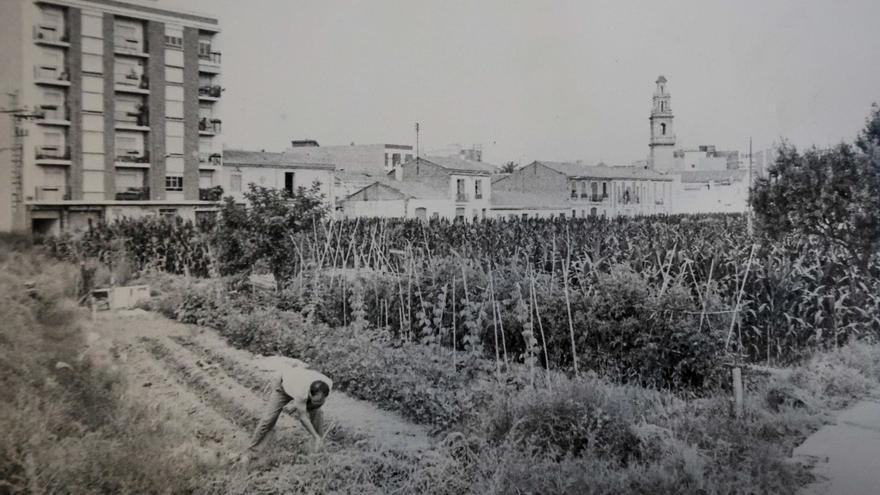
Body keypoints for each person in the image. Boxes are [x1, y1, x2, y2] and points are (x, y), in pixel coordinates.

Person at [247, 365, 333, 453]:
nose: (316, 403)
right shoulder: (301, 392)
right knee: (269, 418)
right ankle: (253, 449)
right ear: (309, 394)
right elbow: (303, 418)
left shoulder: (328, 384)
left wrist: (301, 406)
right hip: (282, 384)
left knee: (317, 414)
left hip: (297, 383)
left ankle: (319, 447)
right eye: (314, 401)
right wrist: (298, 405)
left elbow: (314, 402)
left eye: (319, 401)